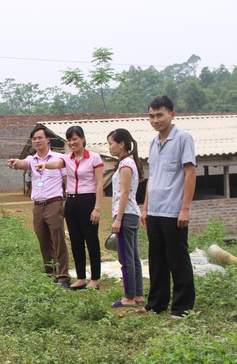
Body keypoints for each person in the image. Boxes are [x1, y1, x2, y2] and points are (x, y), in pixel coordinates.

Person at [138, 95, 196, 319]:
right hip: (155, 211)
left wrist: (185, 208)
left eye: (159, 115)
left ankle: (182, 308)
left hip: (174, 210)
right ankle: (156, 304)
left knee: (177, 259)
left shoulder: (183, 139)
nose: (155, 120)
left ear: (172, 115)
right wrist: (145, 208)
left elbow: (190, 173)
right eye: (151, 116)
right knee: (157, 260)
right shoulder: (154, 143)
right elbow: (153, 177)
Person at [36, 126, 104, 289]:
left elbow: (100, 184)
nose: (72, 143)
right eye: (69, 140)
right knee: (76, 240)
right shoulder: (67, 159)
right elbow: (56, 164)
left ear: (82, 139)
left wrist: (97, 208)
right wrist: (45, 165)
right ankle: (81, 278)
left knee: (91, 240)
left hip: (88, 200)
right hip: (71, 202)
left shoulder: (94, 158)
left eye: (75, 139)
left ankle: (94, 279)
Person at [8, 126, 71, 288]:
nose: (37, 141)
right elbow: (22, 164)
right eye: (34, 139)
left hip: (54, 203)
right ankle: (50, 274)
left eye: (40, 138)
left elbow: (66, 180)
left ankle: (63, 276)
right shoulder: (31, 159)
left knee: (58, 240)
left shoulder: (59, 158)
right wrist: (15, 163)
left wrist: (69, 198)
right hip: (38, 207)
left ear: (48, 139)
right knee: (43, 240)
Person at [107, 128, 145, 307]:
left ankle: (129, 297)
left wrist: (118, 219)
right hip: (130, 214)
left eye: (111, 143)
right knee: (133, 256)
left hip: (126, 215)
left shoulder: (126, 165)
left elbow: (124, 193)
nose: (109, 147)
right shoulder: (128, 163)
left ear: (121, 144)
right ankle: (138, 295)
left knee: (126, 258)